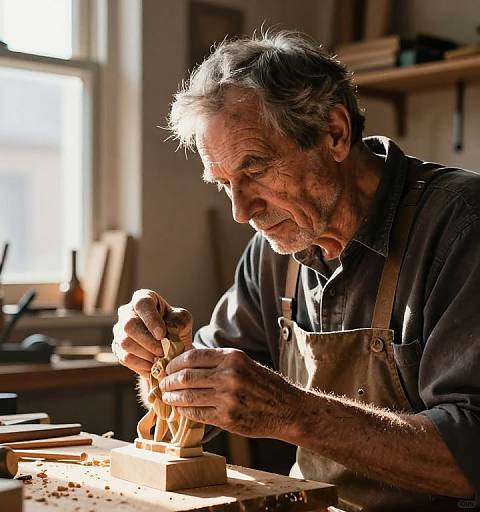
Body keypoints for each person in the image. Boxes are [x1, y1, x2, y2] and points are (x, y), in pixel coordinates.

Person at [112, 30, 479, 511]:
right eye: (224, 183)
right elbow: (208, 393)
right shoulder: (275, 247)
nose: (241, 211)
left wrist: (293, 412)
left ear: (335, 134)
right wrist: (164, 358)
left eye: (256, 168)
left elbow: (469, 456)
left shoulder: (461, 226)